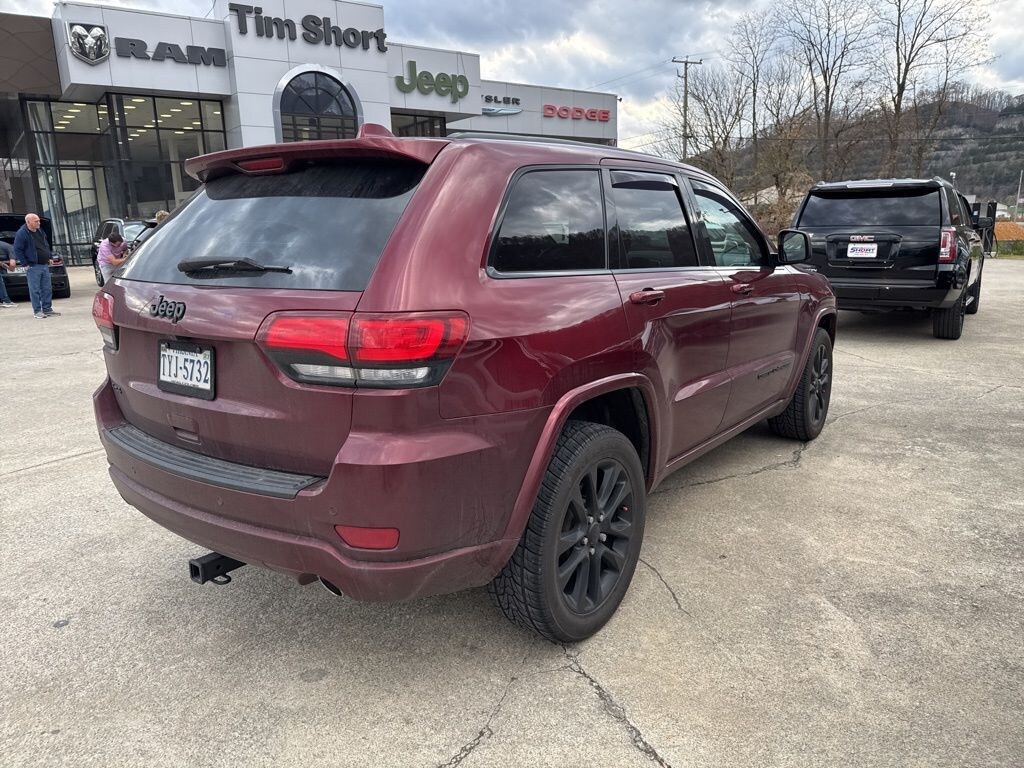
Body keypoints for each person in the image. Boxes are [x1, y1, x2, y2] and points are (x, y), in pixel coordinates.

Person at [12, 213, 59, 319]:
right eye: (36, 221)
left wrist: (49, 257)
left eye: (38, 220)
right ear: (28, 222)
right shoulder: (22, 233)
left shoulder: (40, 231)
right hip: (33, 266)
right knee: (35, 289)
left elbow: (45, 244)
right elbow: (17, 249)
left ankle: (47, 309)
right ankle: (37, 311)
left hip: (44, 265)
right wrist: (25, 263)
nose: (39, 222)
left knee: (46, 288)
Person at [0, 241, 16, 307]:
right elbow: (12, 264)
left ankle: (6, 300)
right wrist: (9, 268)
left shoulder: (4, 246)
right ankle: (6, 301)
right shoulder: (11, 248)